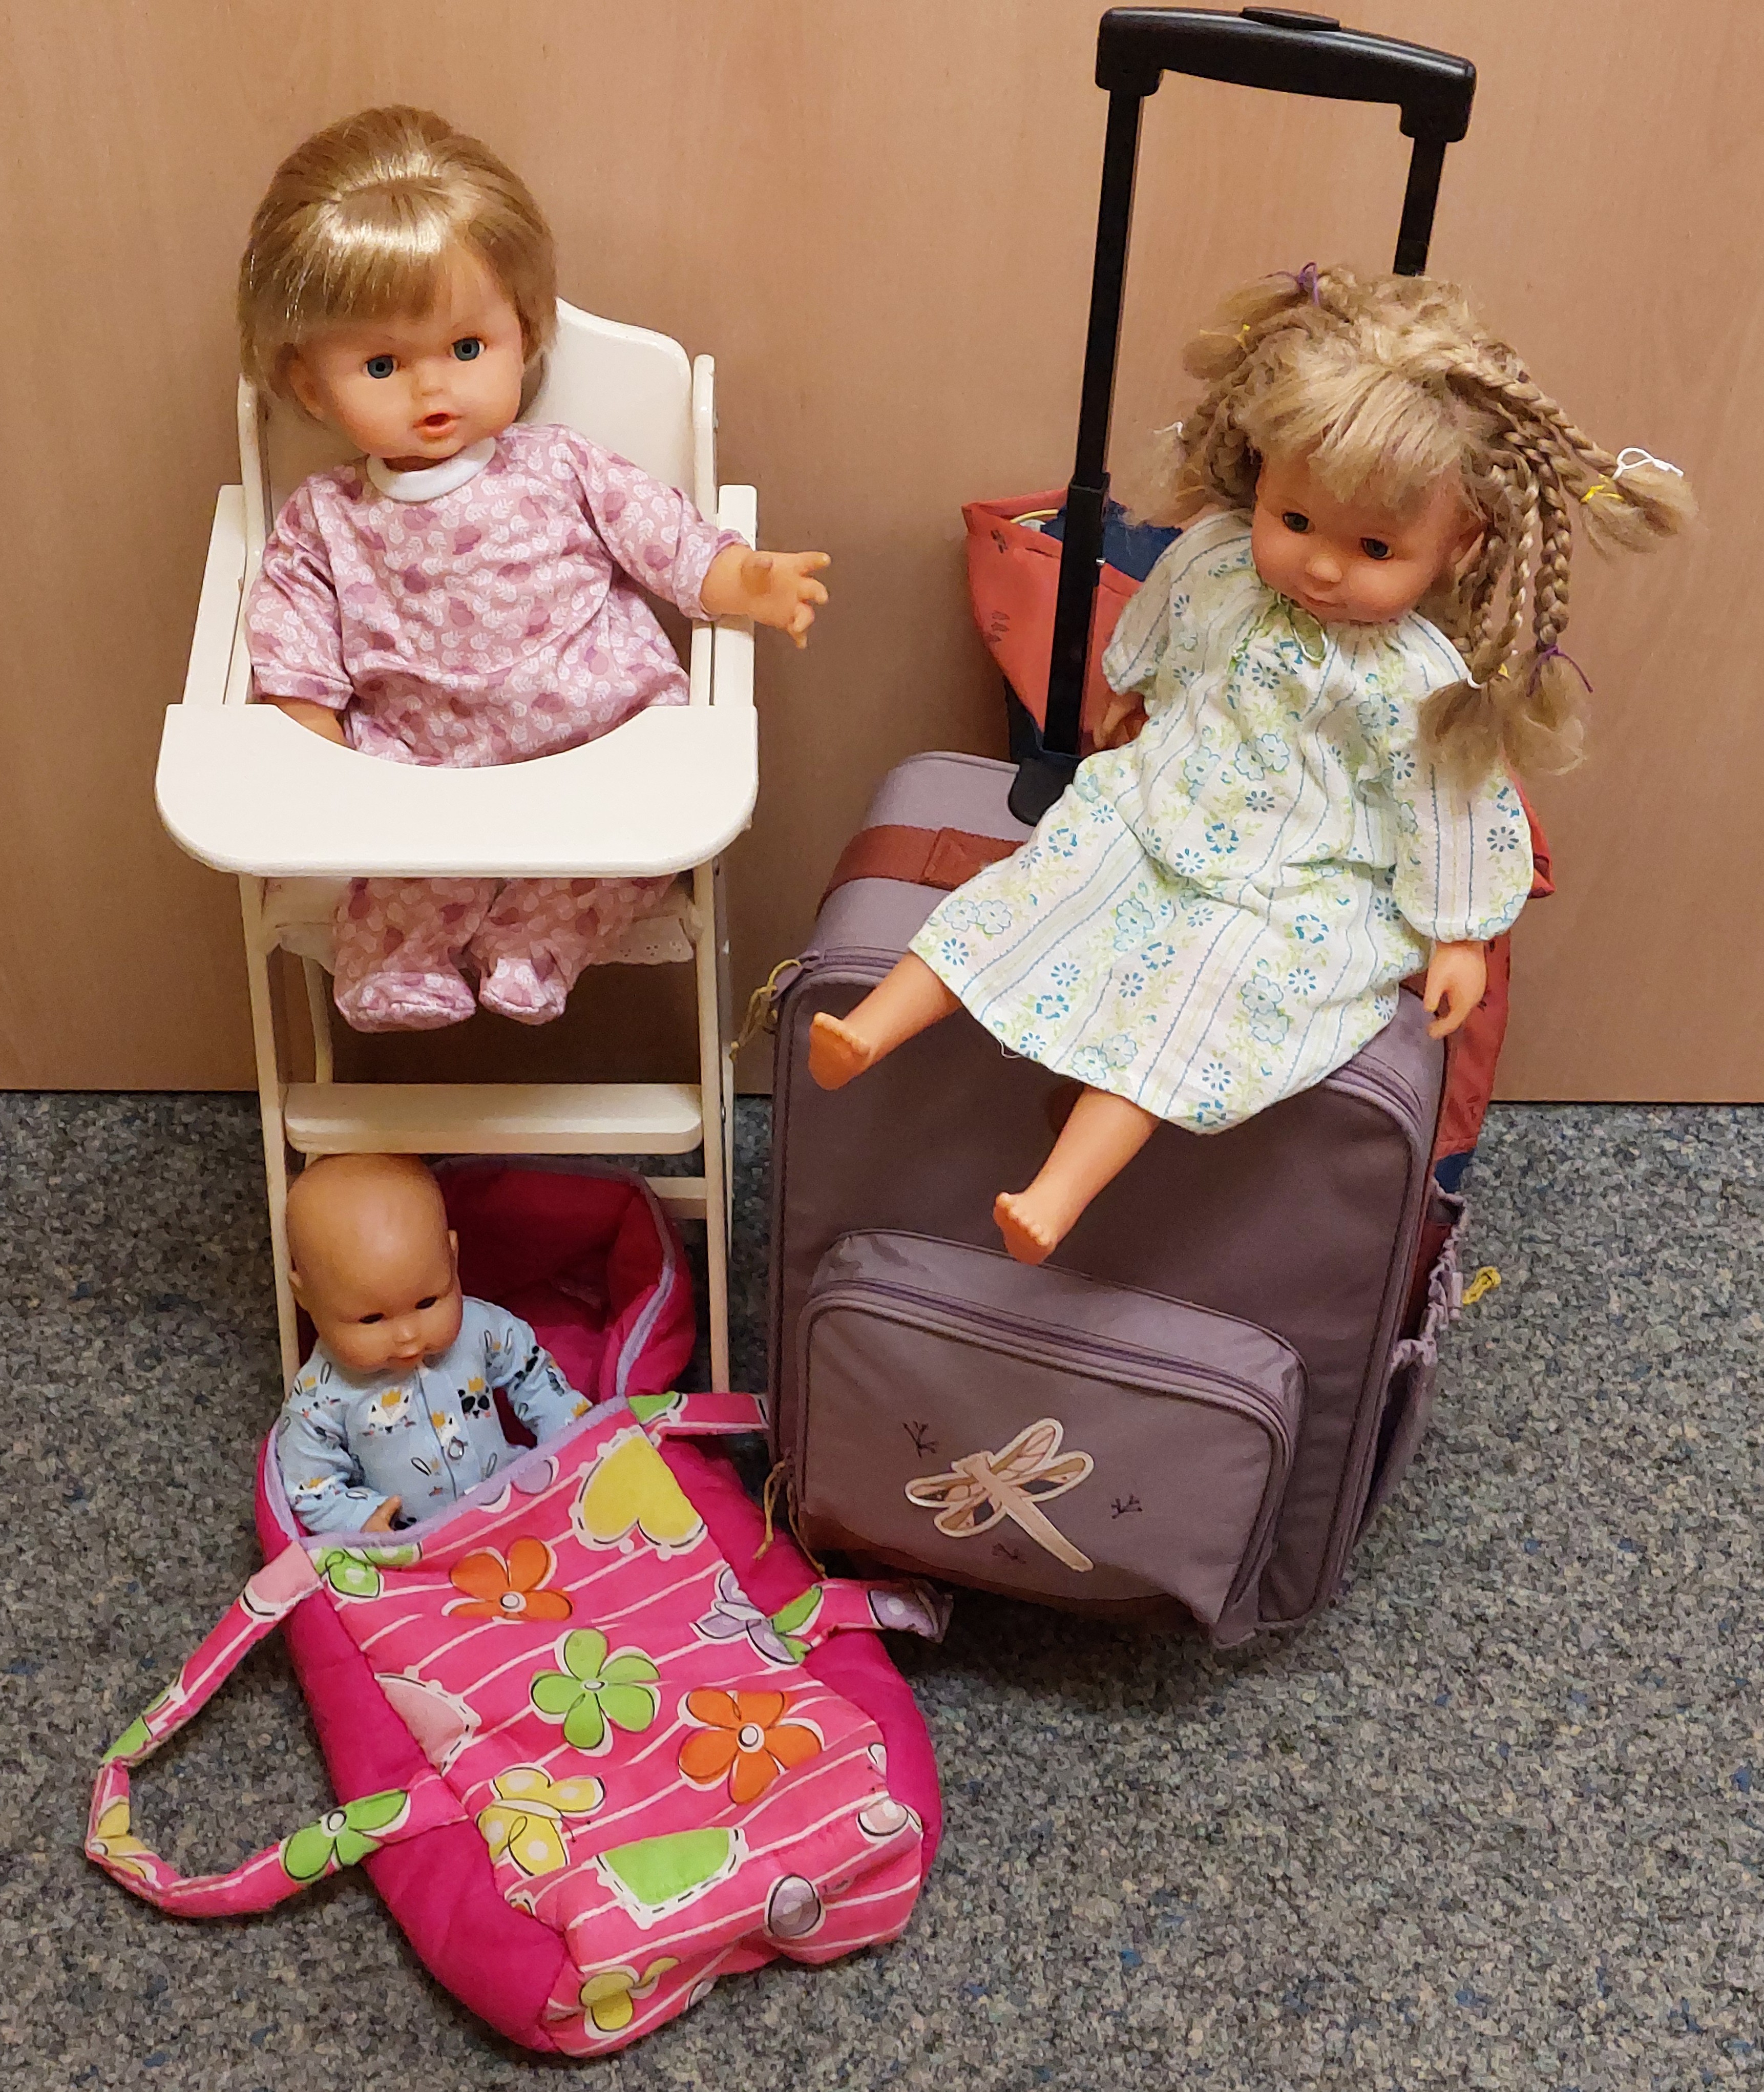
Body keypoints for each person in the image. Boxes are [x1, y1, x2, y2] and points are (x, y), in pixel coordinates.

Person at [811, 265, 1692, 1263]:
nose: (1319, 564)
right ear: (1262, 474)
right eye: (1295, 520)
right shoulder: (1221, 558)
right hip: (1165, 797)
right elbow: (1168, 617)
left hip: (1300, 879)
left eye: (1373, 547)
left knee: (1197, 1003)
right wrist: (1131, 685)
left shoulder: (1419, 680)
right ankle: (870, 1026)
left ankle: (1054, 1193)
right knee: (1046, 881)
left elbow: (1448, 804)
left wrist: (1456, 934)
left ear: (1459, 545)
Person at [239, 105, 829, 1031]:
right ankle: (400, 967)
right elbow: (295, 656)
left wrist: (746, 581)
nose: (433, 387)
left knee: (621, 855)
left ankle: (533, 948)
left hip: (599, 747)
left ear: (524, 335)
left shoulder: (559, 466)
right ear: (312, 384)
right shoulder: (325, 519)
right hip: (425, 776)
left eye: (467, 349)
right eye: (383, 365)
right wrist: (322, 767)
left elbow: (667, 541)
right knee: (400, 880)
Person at [274, 1153, 587, 1533]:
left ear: (452, 1259)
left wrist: (565, 1435)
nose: (408, 1336)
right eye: (372, 1319)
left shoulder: (480, 1328)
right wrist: (362, 1520)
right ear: (305, 1297)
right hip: (419, 1541)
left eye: (427, 1303)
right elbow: (309, 1487)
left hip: (516, 1500)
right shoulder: (319, 1397)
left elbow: (531, 1371)